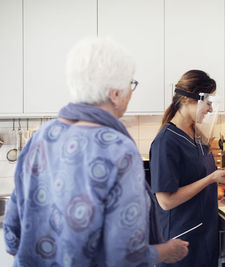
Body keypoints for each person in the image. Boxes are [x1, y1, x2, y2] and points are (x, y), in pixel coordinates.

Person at [3, 37, 189, 266]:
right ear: (114, 93)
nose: (131, 92)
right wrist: (165, 251)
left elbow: (12, 237)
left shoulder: (40, 138)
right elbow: (125, 257)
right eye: (130, 84)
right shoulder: (119, 150)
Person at [150, 70, 225, 267]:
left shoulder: (196, 134)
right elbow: (165, 201)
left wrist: (220, 178)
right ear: (188, 99)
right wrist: (211, 179)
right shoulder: (166, 142)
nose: (210, 109)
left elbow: (198, 177)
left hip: (203, 237)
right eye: (208, 102)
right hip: (180, 243)